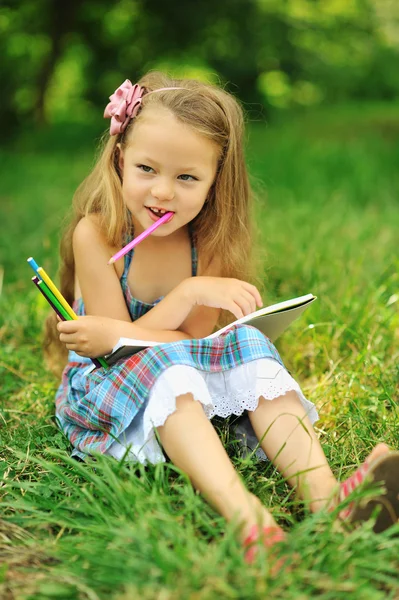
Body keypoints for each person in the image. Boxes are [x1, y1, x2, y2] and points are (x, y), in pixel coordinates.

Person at [45, 72, 399, 564]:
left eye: (187, 177)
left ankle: (327, 499)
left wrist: (192, 298)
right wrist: (188, 293)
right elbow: (116, 347)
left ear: (215, 182)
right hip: (112, 380)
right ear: (120, 158)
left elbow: (188, 336)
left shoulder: (206, 240)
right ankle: (246, 518)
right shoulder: (98, 235)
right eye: (147, 168)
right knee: (166, 370)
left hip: (176, 361)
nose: (163, 192)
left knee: (252, 351)